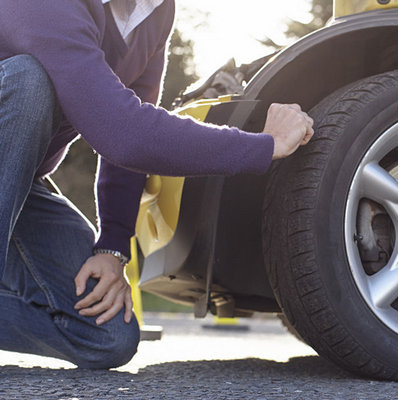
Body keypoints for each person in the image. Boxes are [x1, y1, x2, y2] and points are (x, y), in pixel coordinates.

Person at [0, 0, 314, 368]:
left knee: (106, 334)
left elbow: (132, 133)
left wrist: (113, 246)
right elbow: (124, 132)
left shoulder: (155, 10)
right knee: (28, 81)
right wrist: (263, 144)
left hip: (20, 183)